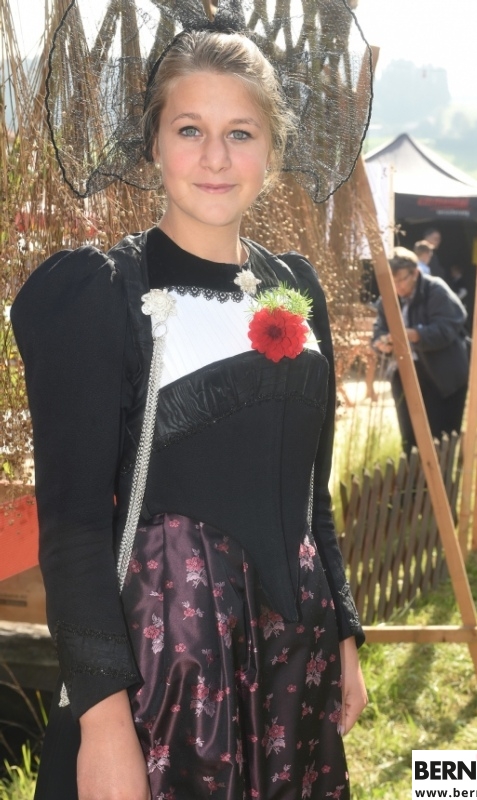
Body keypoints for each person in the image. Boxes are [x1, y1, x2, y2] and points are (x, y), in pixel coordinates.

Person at [11, 19, 369, 800]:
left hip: (293, 668)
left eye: (240, 132)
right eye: (189, 130)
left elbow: (313, 499)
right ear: (152, 145)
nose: (215, 157)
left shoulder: (298, 289)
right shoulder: (102, 297)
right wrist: (106, 727)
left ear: (272, 149)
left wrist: (343, 633)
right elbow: (73, 529)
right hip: (167, 685)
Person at [373, 247, 469, 456]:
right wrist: (382, 344)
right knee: (410, 439)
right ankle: (414, 476)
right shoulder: (387, 299)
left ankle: (439, 477)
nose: (397, 286)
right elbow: (379, 331)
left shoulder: (436, 290)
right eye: (391, 281)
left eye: (401, 280)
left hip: (442, 376)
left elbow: (449, 326)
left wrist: (414, 334)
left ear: (415, 273)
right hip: (405, 373)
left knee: (440, 440)